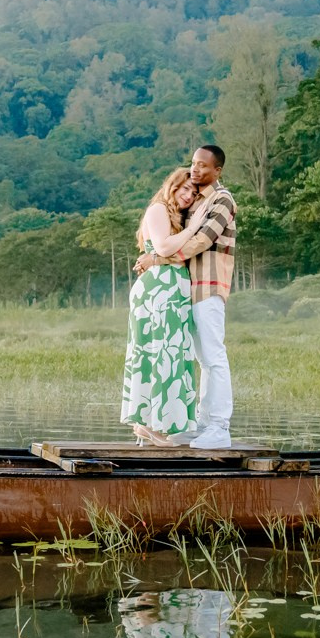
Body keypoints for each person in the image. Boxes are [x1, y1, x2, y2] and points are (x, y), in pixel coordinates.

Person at [136, 144, 236, 448]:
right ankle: (201, 425)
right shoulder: (192, 202)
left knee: (213, 356)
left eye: (204, 166)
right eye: (193, 163)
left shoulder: (222, 200)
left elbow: (201, 242)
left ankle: (219, 427)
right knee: (197, 358)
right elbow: (169, 235)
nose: (196, 169)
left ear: (217, 170)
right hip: (184, 290)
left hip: (209, 285)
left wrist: (157, 259)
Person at [121, 167, 205, 444]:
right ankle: (150, 423)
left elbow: (170, 253)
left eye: (193, 193)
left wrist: (159, 256)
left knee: (172, 355)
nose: (188, 196)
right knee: (159, 353)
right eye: (184, 189)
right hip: (159, 289)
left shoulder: (176, 217)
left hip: (172, 288)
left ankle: (154, 424)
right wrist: (193, 229)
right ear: (172, 186)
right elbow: (165, 247)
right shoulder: (157, 209)